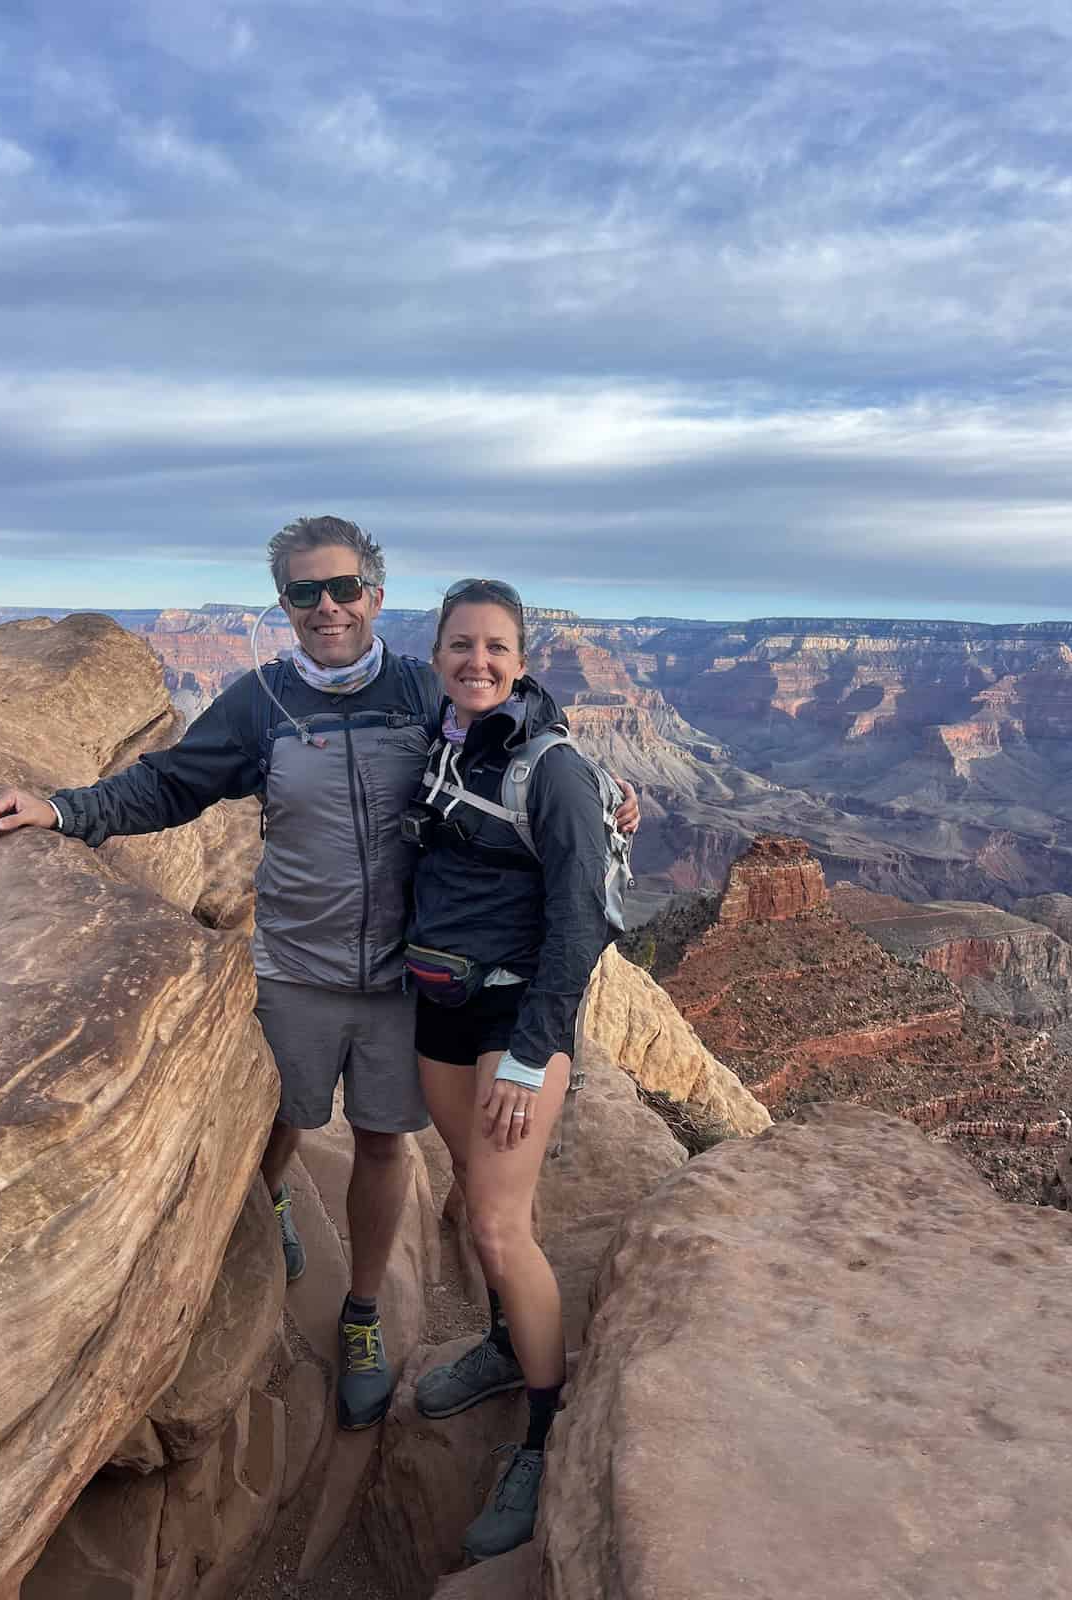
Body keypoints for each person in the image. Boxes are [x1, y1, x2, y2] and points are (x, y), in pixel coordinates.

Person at [0, 517, 442, 1431]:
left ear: (377, 595)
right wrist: (63, 810)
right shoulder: (261, 701)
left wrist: (592, 795)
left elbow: (510, 737)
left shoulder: (424, 693)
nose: (327, 608)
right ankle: (267, 1206)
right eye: (304, 593)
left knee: (384, 1139)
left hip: (398, 974)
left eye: (344, 587)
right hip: (299, 965)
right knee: (285, 1116)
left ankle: (362, 1314)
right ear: (283, 605)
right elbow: (169, 784)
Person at [402, 578, 618, 1562]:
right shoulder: (440, 733)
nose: (476, 661)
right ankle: (498, 1344)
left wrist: (532, 1053)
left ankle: (543, 1427)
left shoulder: (554, 767)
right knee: (477, 1197)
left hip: (514, 1015)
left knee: (496, 1218)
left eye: (495, 647)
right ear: (438, 652)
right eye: (460, 645)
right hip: (439, 1003)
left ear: (521, 657)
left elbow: (578, 923)